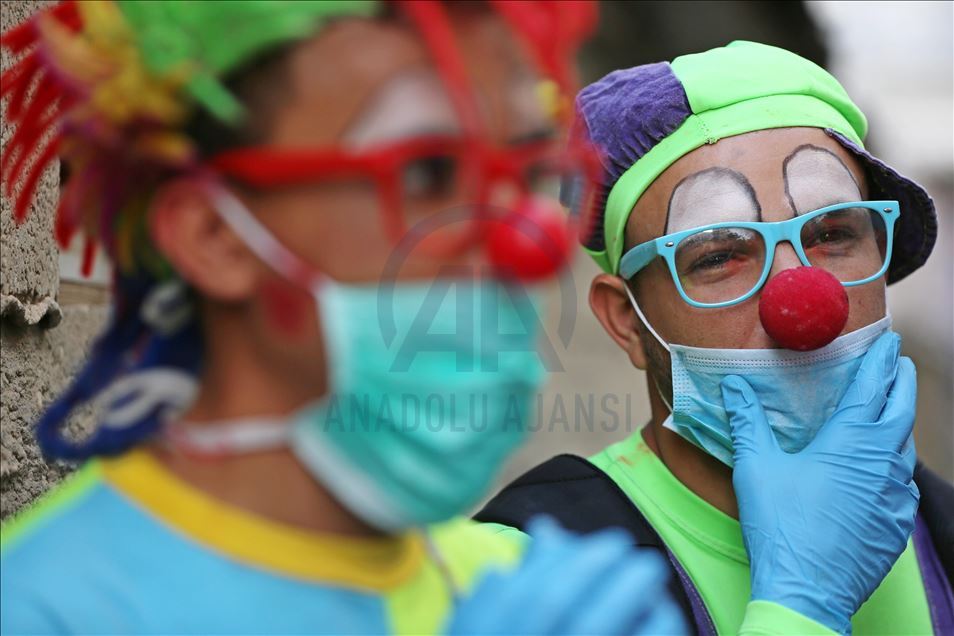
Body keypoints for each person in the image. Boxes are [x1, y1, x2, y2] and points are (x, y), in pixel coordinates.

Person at [0, 3, 927, 632]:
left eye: (522, 177)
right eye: (431, 174)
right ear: (212, 232)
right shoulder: (46, 607)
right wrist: (798, 608)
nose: (516, 242)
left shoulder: (525, 591)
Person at [478, 41, 954, 635]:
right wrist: (803, 604)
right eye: (721, 256)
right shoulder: (524, 581)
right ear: (626, 319)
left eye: (833, 233)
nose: (803, 304)